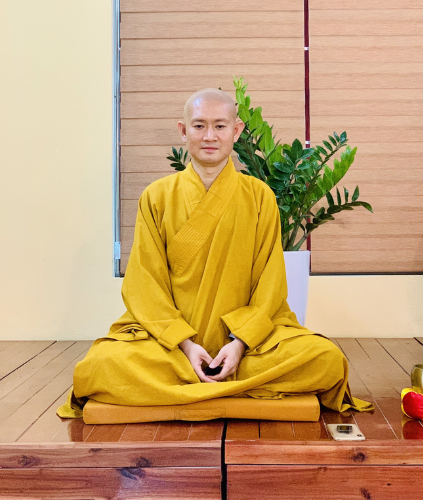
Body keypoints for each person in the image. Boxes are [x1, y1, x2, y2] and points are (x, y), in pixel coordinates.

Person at [57, 88, 370, 419]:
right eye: (199, 126)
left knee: (325, 359)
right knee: (99, 366)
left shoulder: (259, 196)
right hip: (170, 344)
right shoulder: (157, 197)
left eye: (220, 126)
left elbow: (270, 282)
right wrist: (185, 344)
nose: (209, 136)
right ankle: (224, 382)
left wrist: (239, 343)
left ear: (236, 131)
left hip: (246, 344)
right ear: (183, 131)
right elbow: (144, 284)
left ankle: (193, 383)